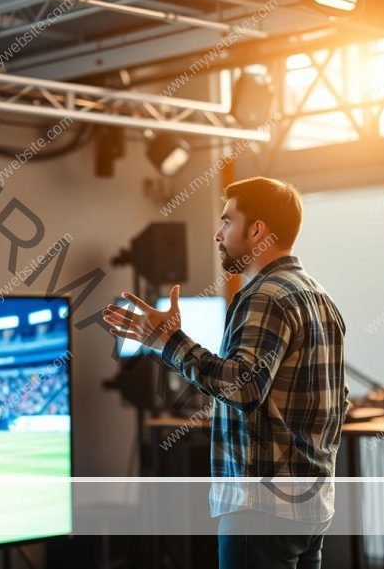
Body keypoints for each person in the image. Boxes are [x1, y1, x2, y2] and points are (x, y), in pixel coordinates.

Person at [103, 176, 348, 569]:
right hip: (312, 505)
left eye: (227, 221)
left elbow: (242, 387)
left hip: (262, 508)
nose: (218, 234)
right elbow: (339, 401)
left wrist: (168, 341)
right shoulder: (321, 297)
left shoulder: (264, 296)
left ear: (257, 231)